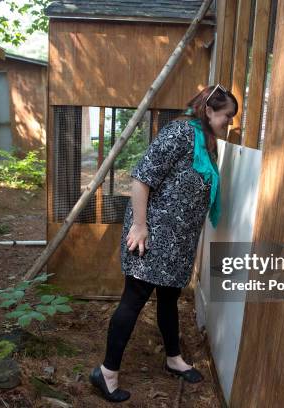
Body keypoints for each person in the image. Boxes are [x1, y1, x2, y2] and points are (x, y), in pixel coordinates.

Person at [89, 85, 238, 402]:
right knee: (133, 300)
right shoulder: (180, 133)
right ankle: (106, 373)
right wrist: (140, 227)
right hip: (151, 237)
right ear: (210, 111)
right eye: (228, 116)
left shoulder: (203, 140)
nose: (229, 124)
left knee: (169, 298)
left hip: (177, 242)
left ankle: (173, 358)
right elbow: (141, 179)